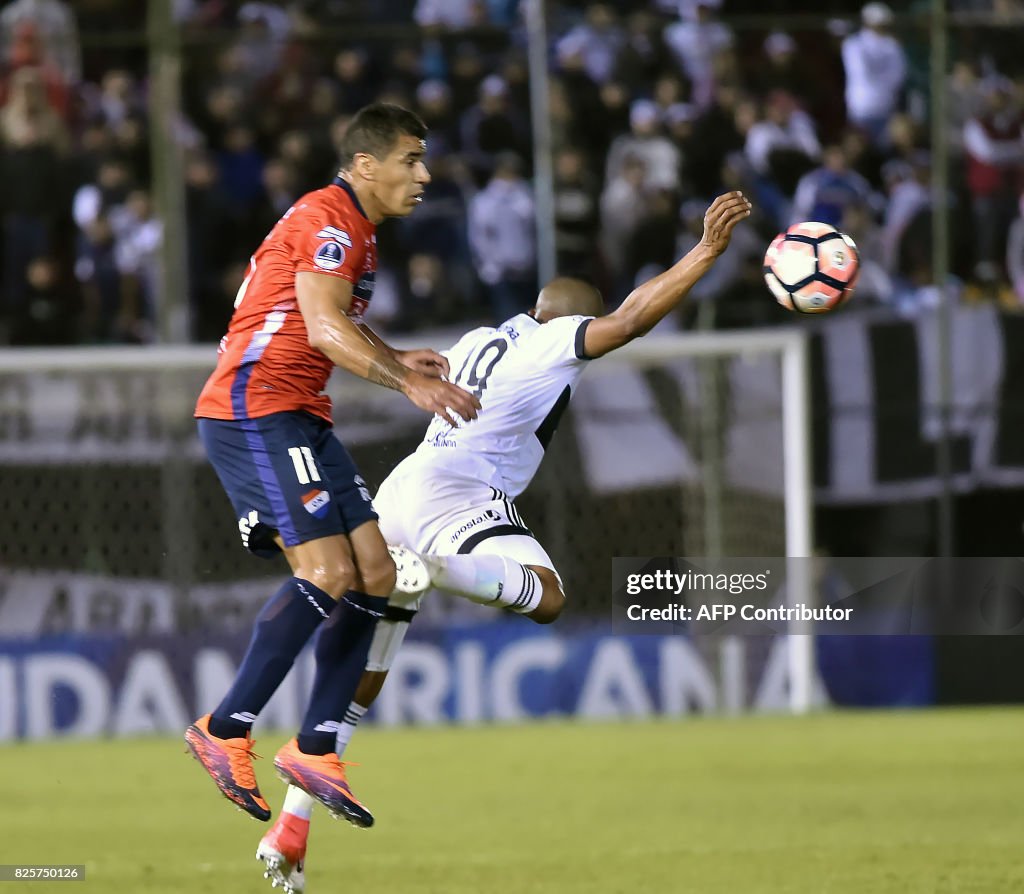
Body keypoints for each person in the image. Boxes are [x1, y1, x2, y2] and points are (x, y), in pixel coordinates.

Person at [255, 190, 752, 893]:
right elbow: (633, 319)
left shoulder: (482, 338)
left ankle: (292, 829)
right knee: (547, 596)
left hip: (404, 486)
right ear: (573, 317)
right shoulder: (557, 341)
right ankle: (423, 568)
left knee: (362, 674)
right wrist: (702, 253)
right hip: (456, 497)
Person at [184, 103, 481, 827]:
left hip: (299, 412)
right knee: (327, 573)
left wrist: (390, 352)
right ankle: (224, 728)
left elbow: (335, 320)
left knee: (378, 571)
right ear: (365, 166)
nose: (424, 174)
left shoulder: (357, 232)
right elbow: (320, 326)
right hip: (254, 407)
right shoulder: (329, 220)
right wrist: (407, 381)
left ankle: (316, 747)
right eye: (411, 160)